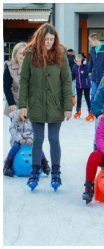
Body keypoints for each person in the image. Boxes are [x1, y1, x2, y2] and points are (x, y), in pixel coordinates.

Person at [18, 23, 73, 191]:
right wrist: (23, 105)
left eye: (52, 39)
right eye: (46, 39)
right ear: (40, 39)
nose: (49, 42)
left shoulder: (60, 56)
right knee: (38, 140)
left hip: (56, 106)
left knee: (54, 139)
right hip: (36, 105)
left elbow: (66, 82)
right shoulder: (30, 56)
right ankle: (34, 172)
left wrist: (67, 106)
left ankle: (56, 172)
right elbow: (24, 81)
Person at [3, 110, 50, 177]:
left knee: (37, 146)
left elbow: (36, 131)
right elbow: (12, 129)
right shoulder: (15, 116)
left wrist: (31, 138)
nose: (25, 112)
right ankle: (7, 165)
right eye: (23, 110)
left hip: (29, 139)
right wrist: (19, 139)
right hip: (17, 139)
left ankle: (44, 163)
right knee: (16, 147)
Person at [88, 33, 104, 103]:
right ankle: (93, 112)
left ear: (95, 40)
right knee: (93, 95)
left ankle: (103, 112)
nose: (90, 43)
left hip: (103, 77)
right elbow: (91, 63)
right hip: (94, 77)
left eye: (90, 41)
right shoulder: (92, 50)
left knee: (102, 95)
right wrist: (87, 71)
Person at [3, 42, 27, 118]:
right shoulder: (9, 67)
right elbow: (6, 87)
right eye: (20, 53)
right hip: (15, 104)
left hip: (30, 106)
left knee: (30, 130)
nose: (22, 56)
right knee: (17, 129)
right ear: (15, 54)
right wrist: (11, 103)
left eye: (25, 53)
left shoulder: (33, 67)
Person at [72, 54, 93, 121]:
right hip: (78, 85)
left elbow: (90, 72)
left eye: (79, 61)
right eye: (76, 61)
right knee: (79, 98)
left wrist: (86, 65)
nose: (78, 62)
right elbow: (73, 75)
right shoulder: (74, 66)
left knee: (87, 98)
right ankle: (78, 112)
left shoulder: (86, 66)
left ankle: (90, 113)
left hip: (86, 85)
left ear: (82, 61)